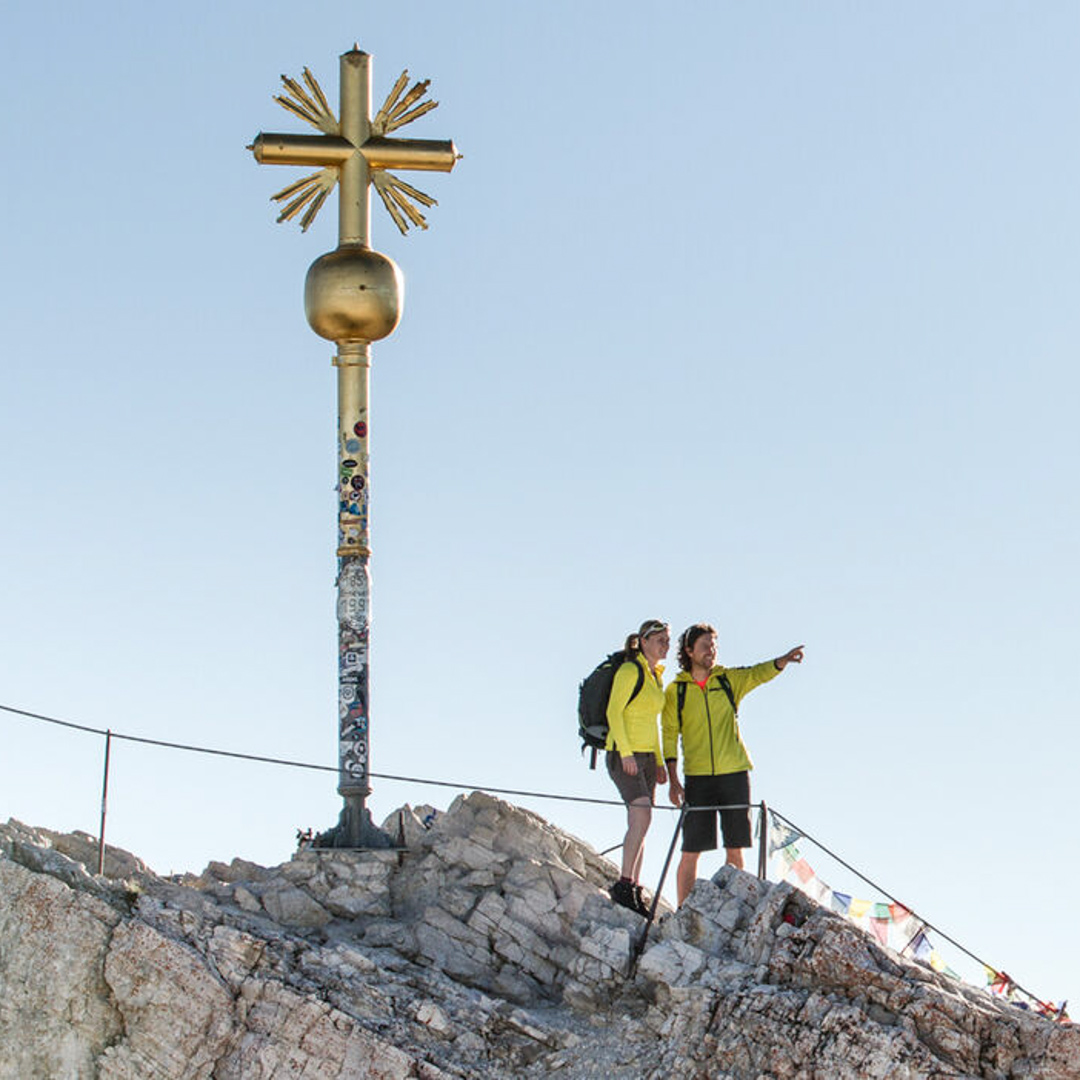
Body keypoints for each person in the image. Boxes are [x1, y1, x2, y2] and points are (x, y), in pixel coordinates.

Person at [662, 623, 804, 907]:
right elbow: (668, 734)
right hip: (697, 777)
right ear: (689, 651)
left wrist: (783, 661)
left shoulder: (728, 680)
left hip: (735, 773)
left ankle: (736, 909)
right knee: (691, 850)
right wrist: (674, 781)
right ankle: (683, 910)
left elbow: (756, 674)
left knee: (735, 848)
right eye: (705, 646)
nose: (711, 651)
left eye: (713, 646)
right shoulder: (676, 691)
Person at [605, 618, 670, 916]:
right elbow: (614, 712)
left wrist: (658, 761)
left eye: (667, 640)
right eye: (660, 640)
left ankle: (633, 887)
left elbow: (653, 723)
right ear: (643, 642)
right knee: (641, 813)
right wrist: (626, 753)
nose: (665, 645)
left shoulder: (655, 676)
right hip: (623, 754)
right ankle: (623, 884)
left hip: (646, 757)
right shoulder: (630, 670)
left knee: (643, 821)